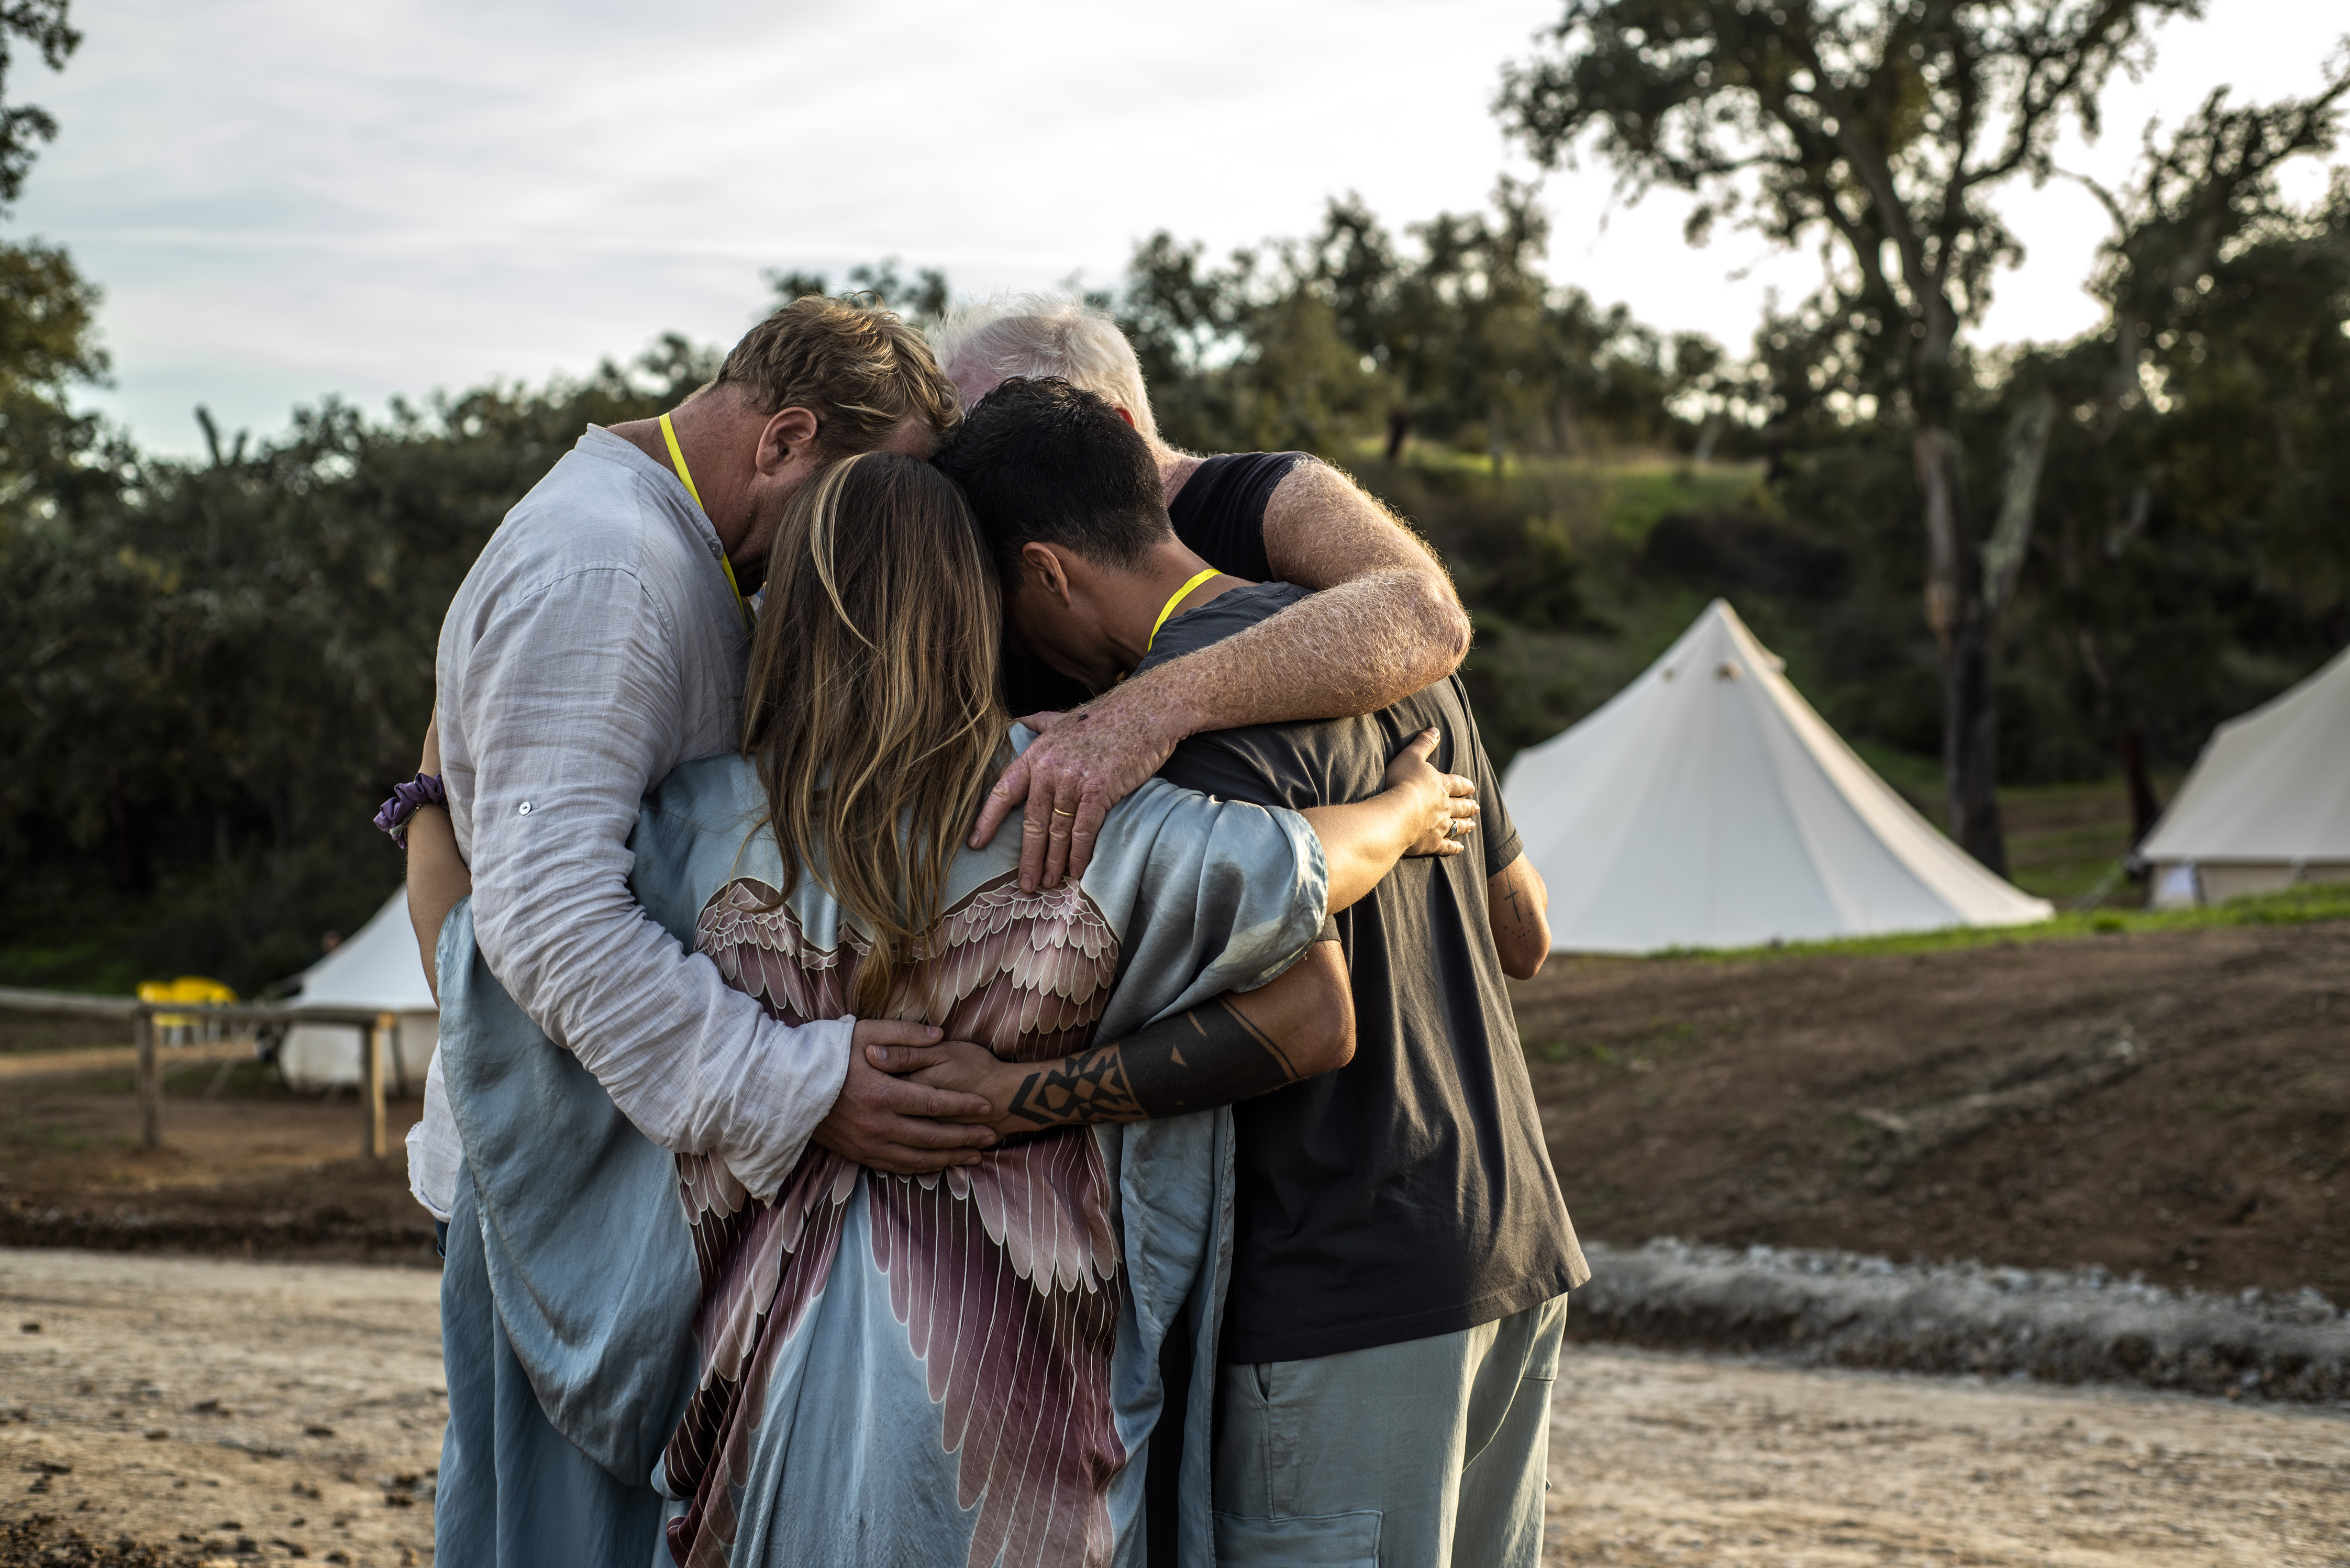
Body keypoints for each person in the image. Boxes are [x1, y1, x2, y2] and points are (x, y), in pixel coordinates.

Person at [403, 451, 1480, 1566]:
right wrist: (1403, 812)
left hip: (763, 1434)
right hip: (1035, 1426)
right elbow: (1306, 907)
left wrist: (433, 791)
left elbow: (490, 970)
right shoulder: (1079, 810)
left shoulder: (686, 834)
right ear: (981, 610)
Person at [932, 378, 1588, 1568]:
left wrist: (1010, 1095)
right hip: (1511, 1236)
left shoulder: (1165, 727)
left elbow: (1308, 1019)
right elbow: (1523, 929)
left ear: (1046, 572)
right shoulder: (1382, 648)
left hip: (1341, 1276)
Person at [930, 293, 1475, 893]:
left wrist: (1146, 711)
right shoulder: (1002, 575)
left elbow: (1425, 613)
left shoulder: (1267, 497)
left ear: (1110, 429)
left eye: (1005, 427)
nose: (970, 475)